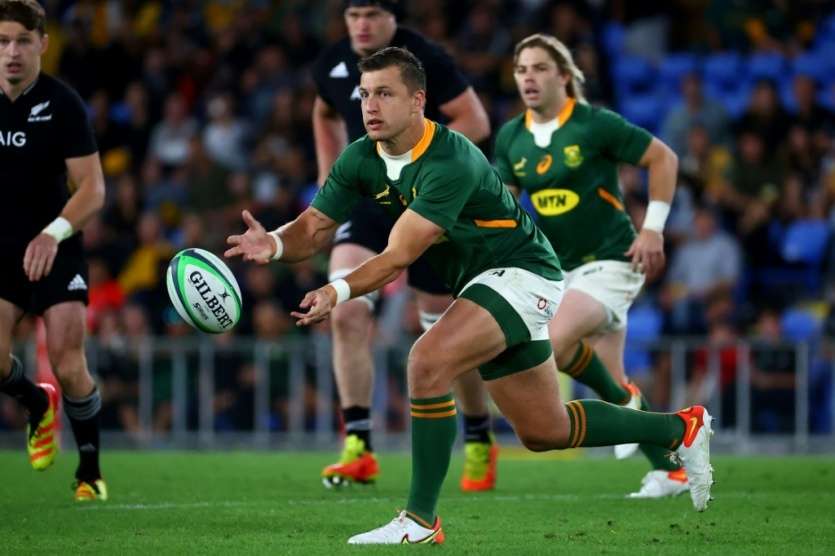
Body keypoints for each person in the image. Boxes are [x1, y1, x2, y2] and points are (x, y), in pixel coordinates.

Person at [227, 46, 713, 545]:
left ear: (418, 101)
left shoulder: (450, 158)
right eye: (365, 94)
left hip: (523, 273)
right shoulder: (360, 157)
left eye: (385, 94)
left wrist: (336, 290)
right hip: (484, 284)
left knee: (427, 362)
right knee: (544, 430)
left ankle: (419, 521)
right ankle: (680, 430)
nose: (370, 106)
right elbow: (314, 226)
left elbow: (398, 256)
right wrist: (276, 243)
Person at [310, 0, 495, 491]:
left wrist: (417, 161)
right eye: (353, 15)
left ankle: (479, 435)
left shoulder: (425, 58)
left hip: (427, 200)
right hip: (370, 201)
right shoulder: (331, 62)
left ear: (394, 18)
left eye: (372, 14)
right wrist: (328, 174)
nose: (361, 25)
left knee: (444, 333)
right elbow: (324, 109)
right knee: (346, 311)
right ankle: (358, 445)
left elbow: (475, 121)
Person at [494, 33, 688, 498]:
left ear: (563, 75)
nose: (528, 78)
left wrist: (652, 228)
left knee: (550, 340)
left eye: (540, 68)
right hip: (558, 270)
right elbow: (502, 208)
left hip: (612, 261)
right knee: (609, 380)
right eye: (521, 70)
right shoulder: (511, 137)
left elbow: (663, 158)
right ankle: (672, 469)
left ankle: (626, 400)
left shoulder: (594, 124)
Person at [0, 0, 107, 501]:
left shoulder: (61, 103)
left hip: (56, 246)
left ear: (42, 43)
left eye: (22, 41)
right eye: (2, 42)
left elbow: (93, 189)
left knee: (67, 362)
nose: (11, 52)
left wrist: (53, 233)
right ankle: (36, 402)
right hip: (3, 250)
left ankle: (90, 471)